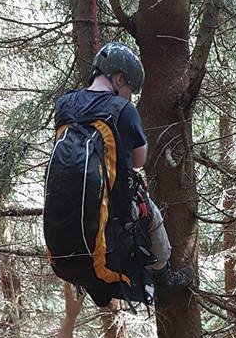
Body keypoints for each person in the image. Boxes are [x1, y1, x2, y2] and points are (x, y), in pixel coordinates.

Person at [53, 41, 192, 296]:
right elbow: (139, 161)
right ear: (118, 79)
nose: (131, 96)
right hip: (109, 208)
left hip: (65, 210)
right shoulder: (123, 109)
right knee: (152, 219)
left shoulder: (64, 104)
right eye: (130, 88)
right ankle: (164, 278)